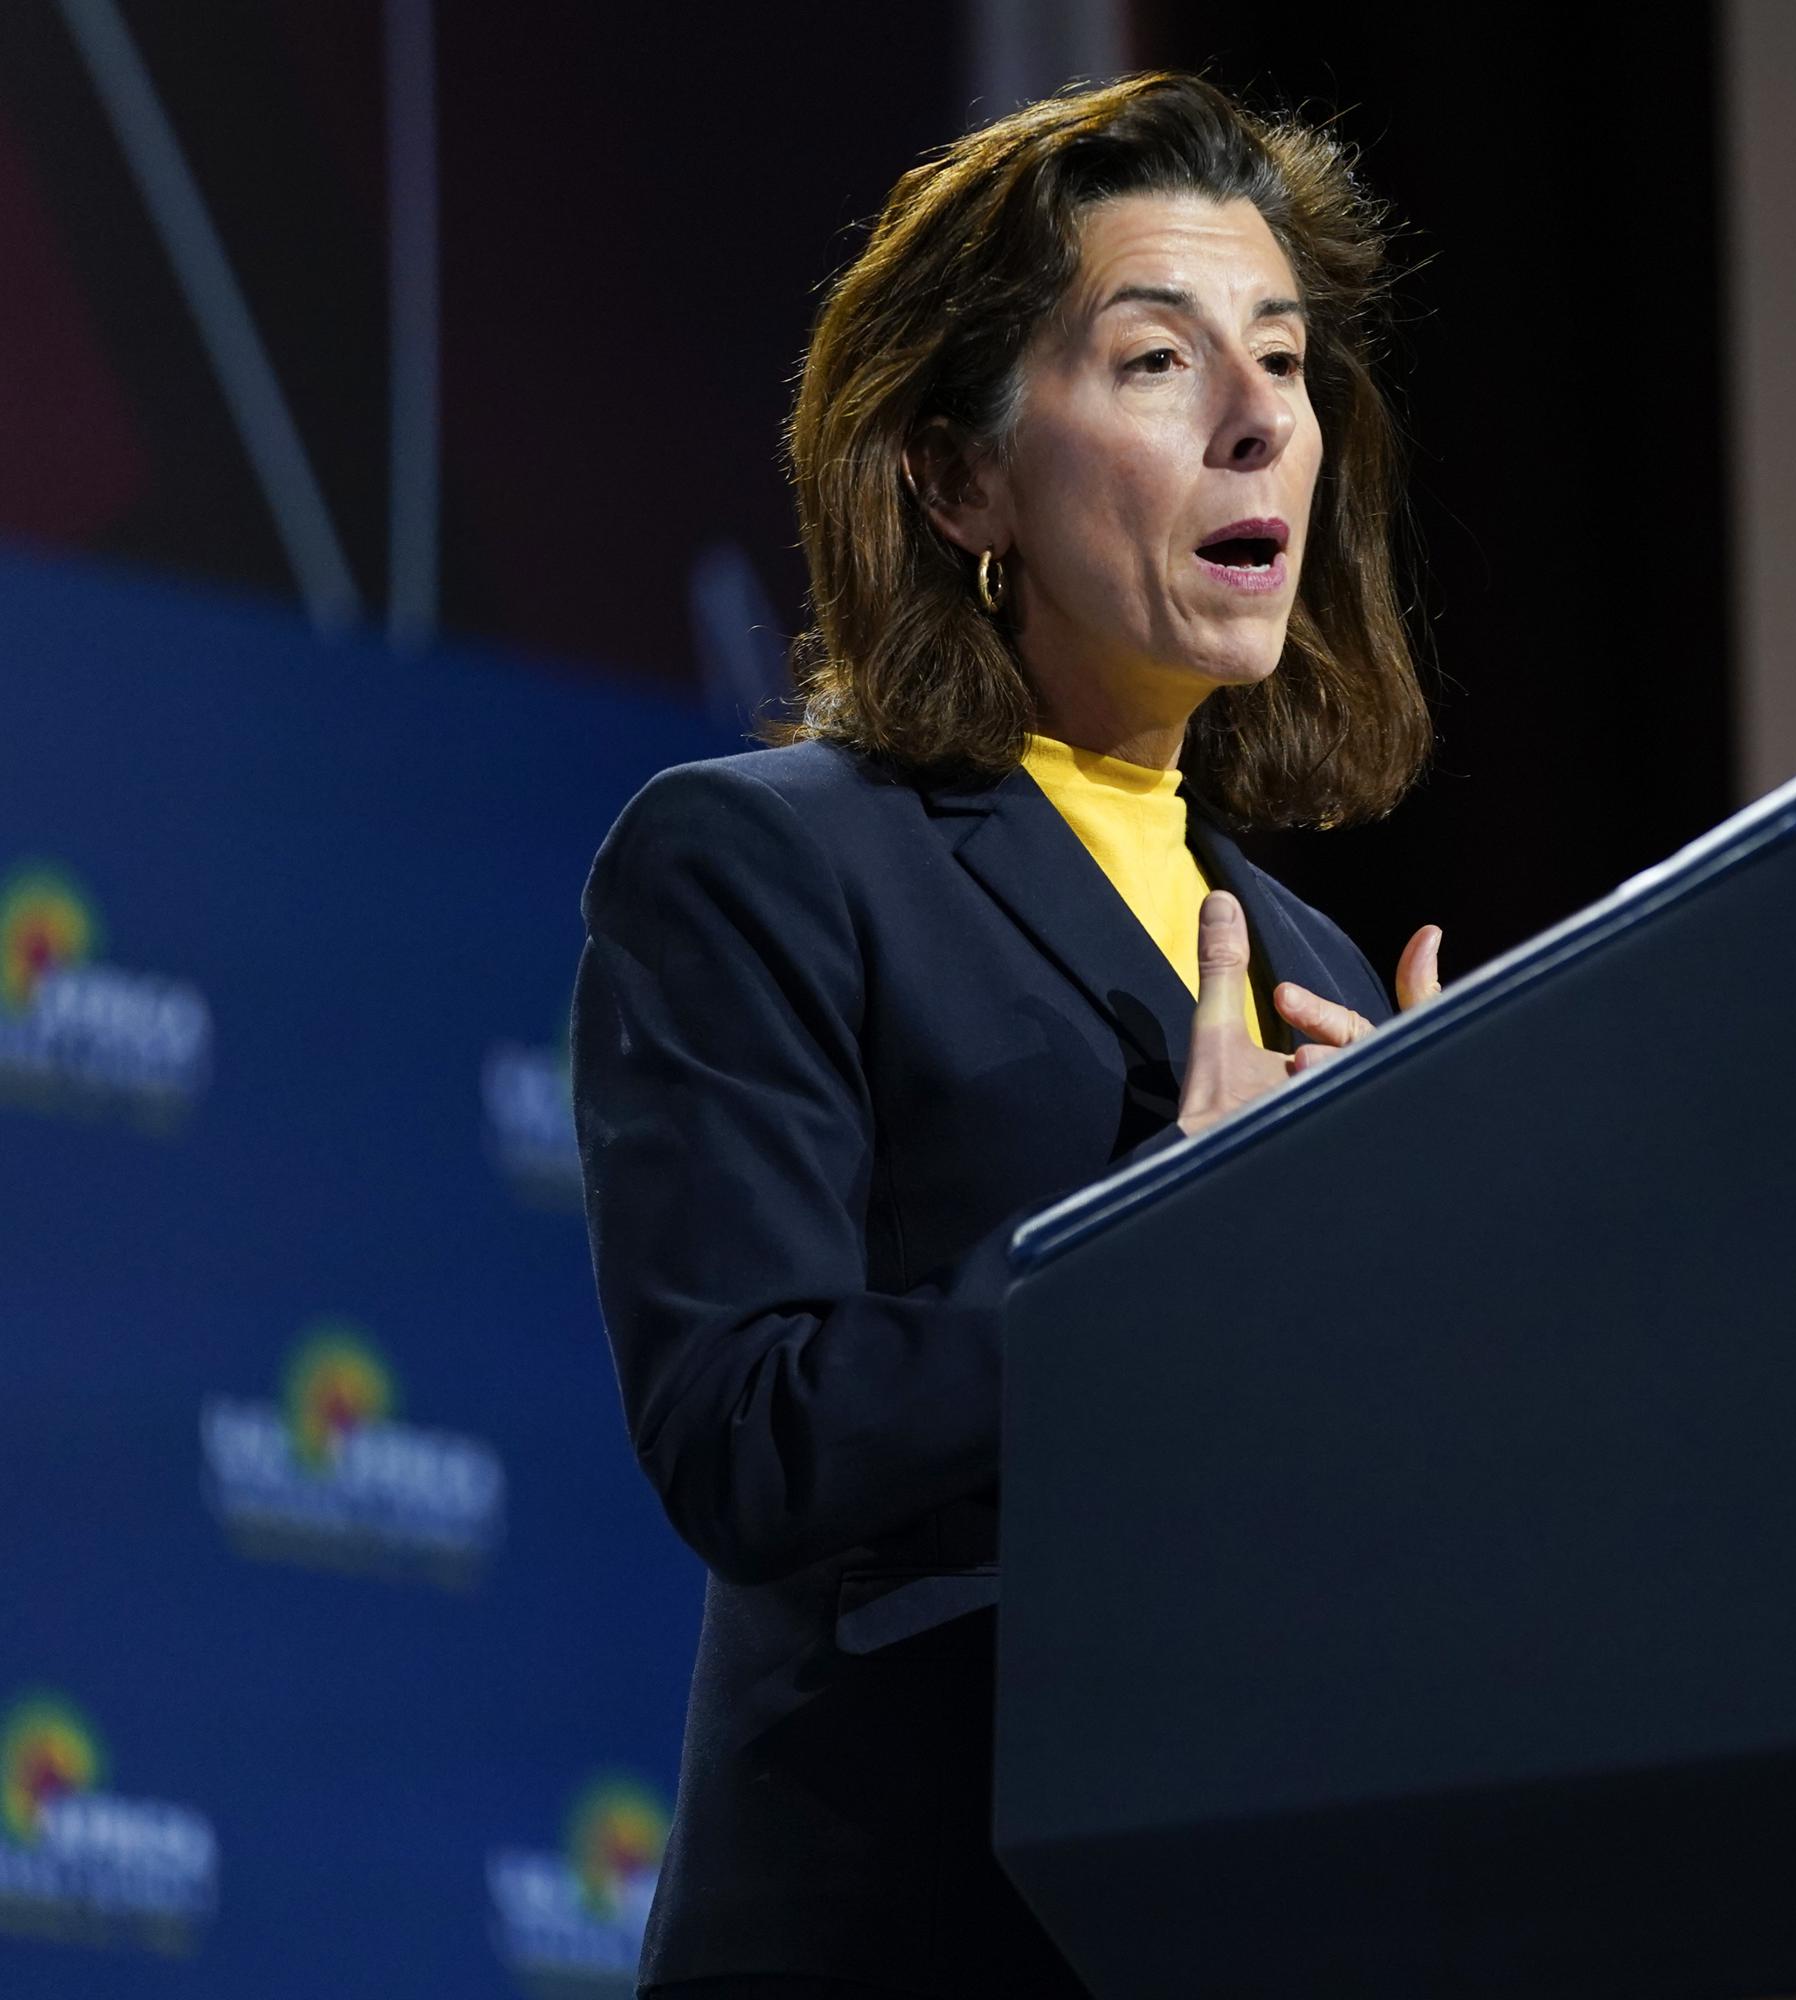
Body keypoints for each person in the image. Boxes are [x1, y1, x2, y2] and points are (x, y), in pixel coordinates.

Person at [569, 73, 1441, 1999]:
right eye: (1157, 359)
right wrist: (1154, 1251)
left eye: (1283, 361)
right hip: (915, 1928)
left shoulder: (1316, 967)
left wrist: (1461, 1279)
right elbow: (747, 1432)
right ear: (959, 480)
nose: (1258, 420)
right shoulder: (764, 859)